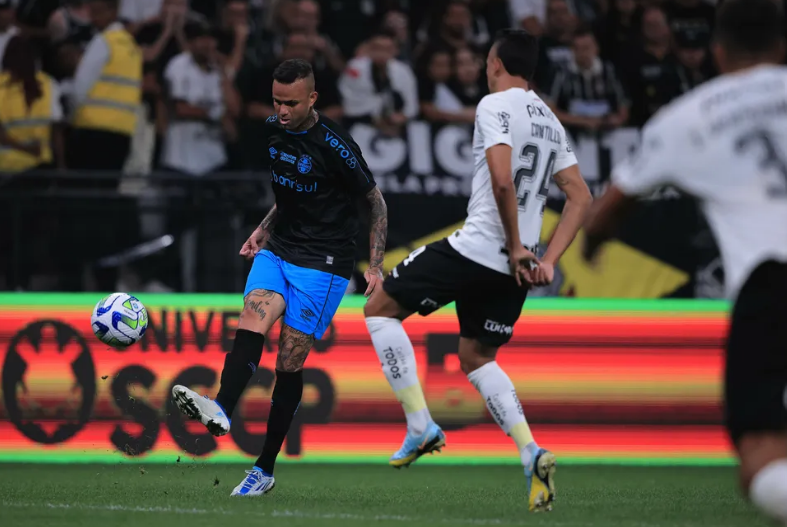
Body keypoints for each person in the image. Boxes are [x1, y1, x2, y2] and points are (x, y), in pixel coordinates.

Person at [363, 29, 592, 512]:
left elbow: (503, 180)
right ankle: (532, 453)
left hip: (483, 248)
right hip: (519, 267)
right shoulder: (551, 119)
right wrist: (545, 259)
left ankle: (420, 425)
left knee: (379, 309)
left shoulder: (494, 105)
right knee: (477, 357)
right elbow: (581, 196)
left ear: (495, 64)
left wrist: (512, 246)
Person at [582, 0, 787, 524]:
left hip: (772, 282)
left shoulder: (691, 116)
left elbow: (611, 207)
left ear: (718, 52)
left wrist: (592, 245)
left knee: (762, 454)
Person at [171, 58, 388, 497]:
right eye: (276, 101)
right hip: (279, 248)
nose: (282, 110)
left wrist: (376, 263)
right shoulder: (272, 130)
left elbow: (376, 202)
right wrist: (264, 228)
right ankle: (221, 407)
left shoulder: (335, 145)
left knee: (288, 361)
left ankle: (264, 468)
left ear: (312, 98)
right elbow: (291, 194)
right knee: (252, 319)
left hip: (324, 263)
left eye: (291, 103)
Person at [70, 0, 142, 172]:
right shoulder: (131, 46)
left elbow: (80, 87)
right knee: (108, 191)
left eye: (97, 12)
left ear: (113, 12)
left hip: (92, 129)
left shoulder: (103, 42)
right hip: (123, 130)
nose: (93, 18)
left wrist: (72, 115)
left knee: (85, 191)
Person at [546, 25, 629, 132]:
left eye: (586, 48)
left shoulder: (610, 71)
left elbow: (624, 108)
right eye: (577, 48)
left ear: (596, 48)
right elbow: (548, 110)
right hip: (570, 134)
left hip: (608, 131)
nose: (582, 53)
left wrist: (615, 120)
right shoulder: (560, 73)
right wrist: (583, 121)